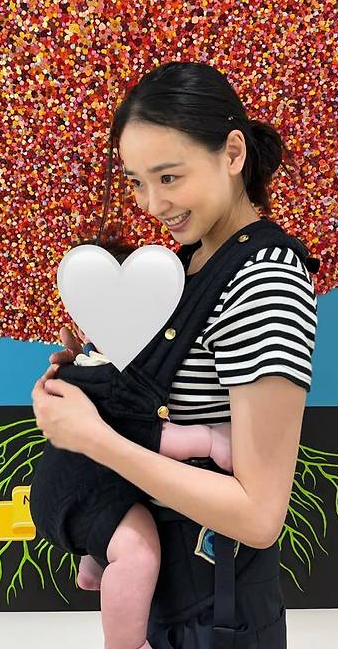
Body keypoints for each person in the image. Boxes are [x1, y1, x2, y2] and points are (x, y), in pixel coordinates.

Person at [31, 61, 318, 649]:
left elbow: (259, 515)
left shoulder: (264, 282)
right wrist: (89, 379)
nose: (153, 203)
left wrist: (93, 437)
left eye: (169, 177)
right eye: (137, 182)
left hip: (216, 612)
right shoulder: (187, 267)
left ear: (232, 153)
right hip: (169, 599)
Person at [68, 241, 233, 601]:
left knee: (120, 515)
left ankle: (92, 563)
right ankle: (126, 631)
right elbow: (146, 433)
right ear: (83, 330)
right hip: (88, 492)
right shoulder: (112, 377)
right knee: (137, 549)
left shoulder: (88, 364)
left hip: (94, 487)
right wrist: (209, 441)